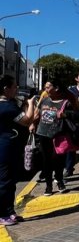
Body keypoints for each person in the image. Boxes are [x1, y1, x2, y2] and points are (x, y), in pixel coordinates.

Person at [34, 80, 79, 196]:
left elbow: (78, 115)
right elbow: (38, 113)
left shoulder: (66, 102)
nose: (46, 89)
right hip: (43, 133)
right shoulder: (44, 100)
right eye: (45, 87)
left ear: (56, 88)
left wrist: (66, 114)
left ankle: (60, 181)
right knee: (46, 160)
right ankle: (48, 186)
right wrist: (32, 124)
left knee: (58, 160)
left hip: (59, 135)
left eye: (48, 87)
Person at [0, 75, 35, 226]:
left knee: (10, 181)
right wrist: (31, 103)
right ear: (5, 89)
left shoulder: (9, 104)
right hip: (4, 148)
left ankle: (9, 211)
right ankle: (2, 214)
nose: (17, 89)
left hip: (11, 147)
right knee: (4, 181)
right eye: (14, 86)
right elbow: (27, 120)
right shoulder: (7, 107)